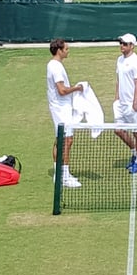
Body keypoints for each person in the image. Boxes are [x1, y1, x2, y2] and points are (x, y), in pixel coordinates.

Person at [47, 39, 85, 188]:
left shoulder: (54, 65)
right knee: (66, 141)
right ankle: (65, 176)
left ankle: (59, 173)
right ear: (59, 50)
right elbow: (62, 91)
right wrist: (77, 88)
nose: (68, 51)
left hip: (61, 108)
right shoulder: (55, 67)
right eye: (66, 49)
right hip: (60, 109)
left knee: (60, 140)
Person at [114, 33, 137, 173]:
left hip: (133, 104)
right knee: (118, 130)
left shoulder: (136, 62)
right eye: (121, 43)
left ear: (132, 46)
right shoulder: (119, 60)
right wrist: (116, 98)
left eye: (125, 44)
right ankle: (134, 151)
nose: (122, 46)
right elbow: (119, 80)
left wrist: (135, 103)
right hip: (121, 103)